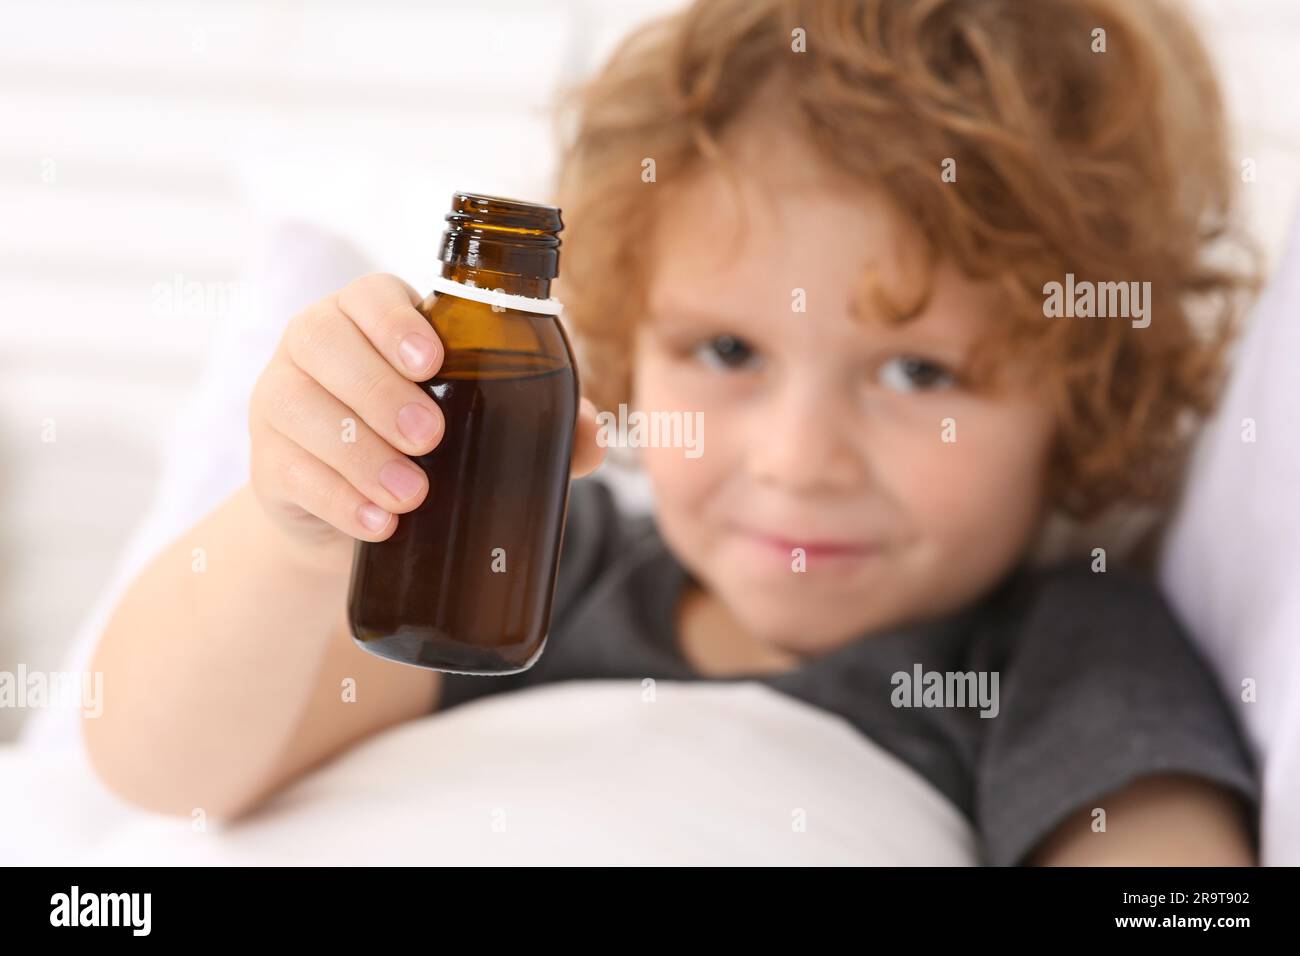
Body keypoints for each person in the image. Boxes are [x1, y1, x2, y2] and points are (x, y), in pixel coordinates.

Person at [83, 0, 1260, 865]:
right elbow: (161, 766)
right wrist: (299, 538)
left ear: (1086, 392)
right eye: (728, 351)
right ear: (626, 336)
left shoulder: (1048, 654)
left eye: (918, 369)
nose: (797, 459)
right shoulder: (546, 558)